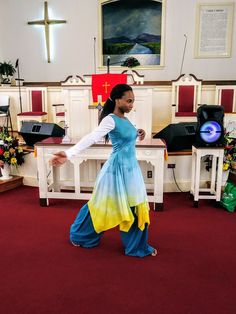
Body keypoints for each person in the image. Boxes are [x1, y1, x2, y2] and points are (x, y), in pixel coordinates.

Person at [49, 84, 157, 257]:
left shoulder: (125, 118)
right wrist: (68, 153)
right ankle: (80, 236)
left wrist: (138, 133)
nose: (131, 105)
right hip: (116, 171)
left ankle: (137, 246)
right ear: (117, 100)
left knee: (135, 204)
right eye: (128, 101)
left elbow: (126, 138)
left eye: (133, 101)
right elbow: (91, 137)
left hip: (130, 170)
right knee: (100, 204)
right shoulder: (110, 119)